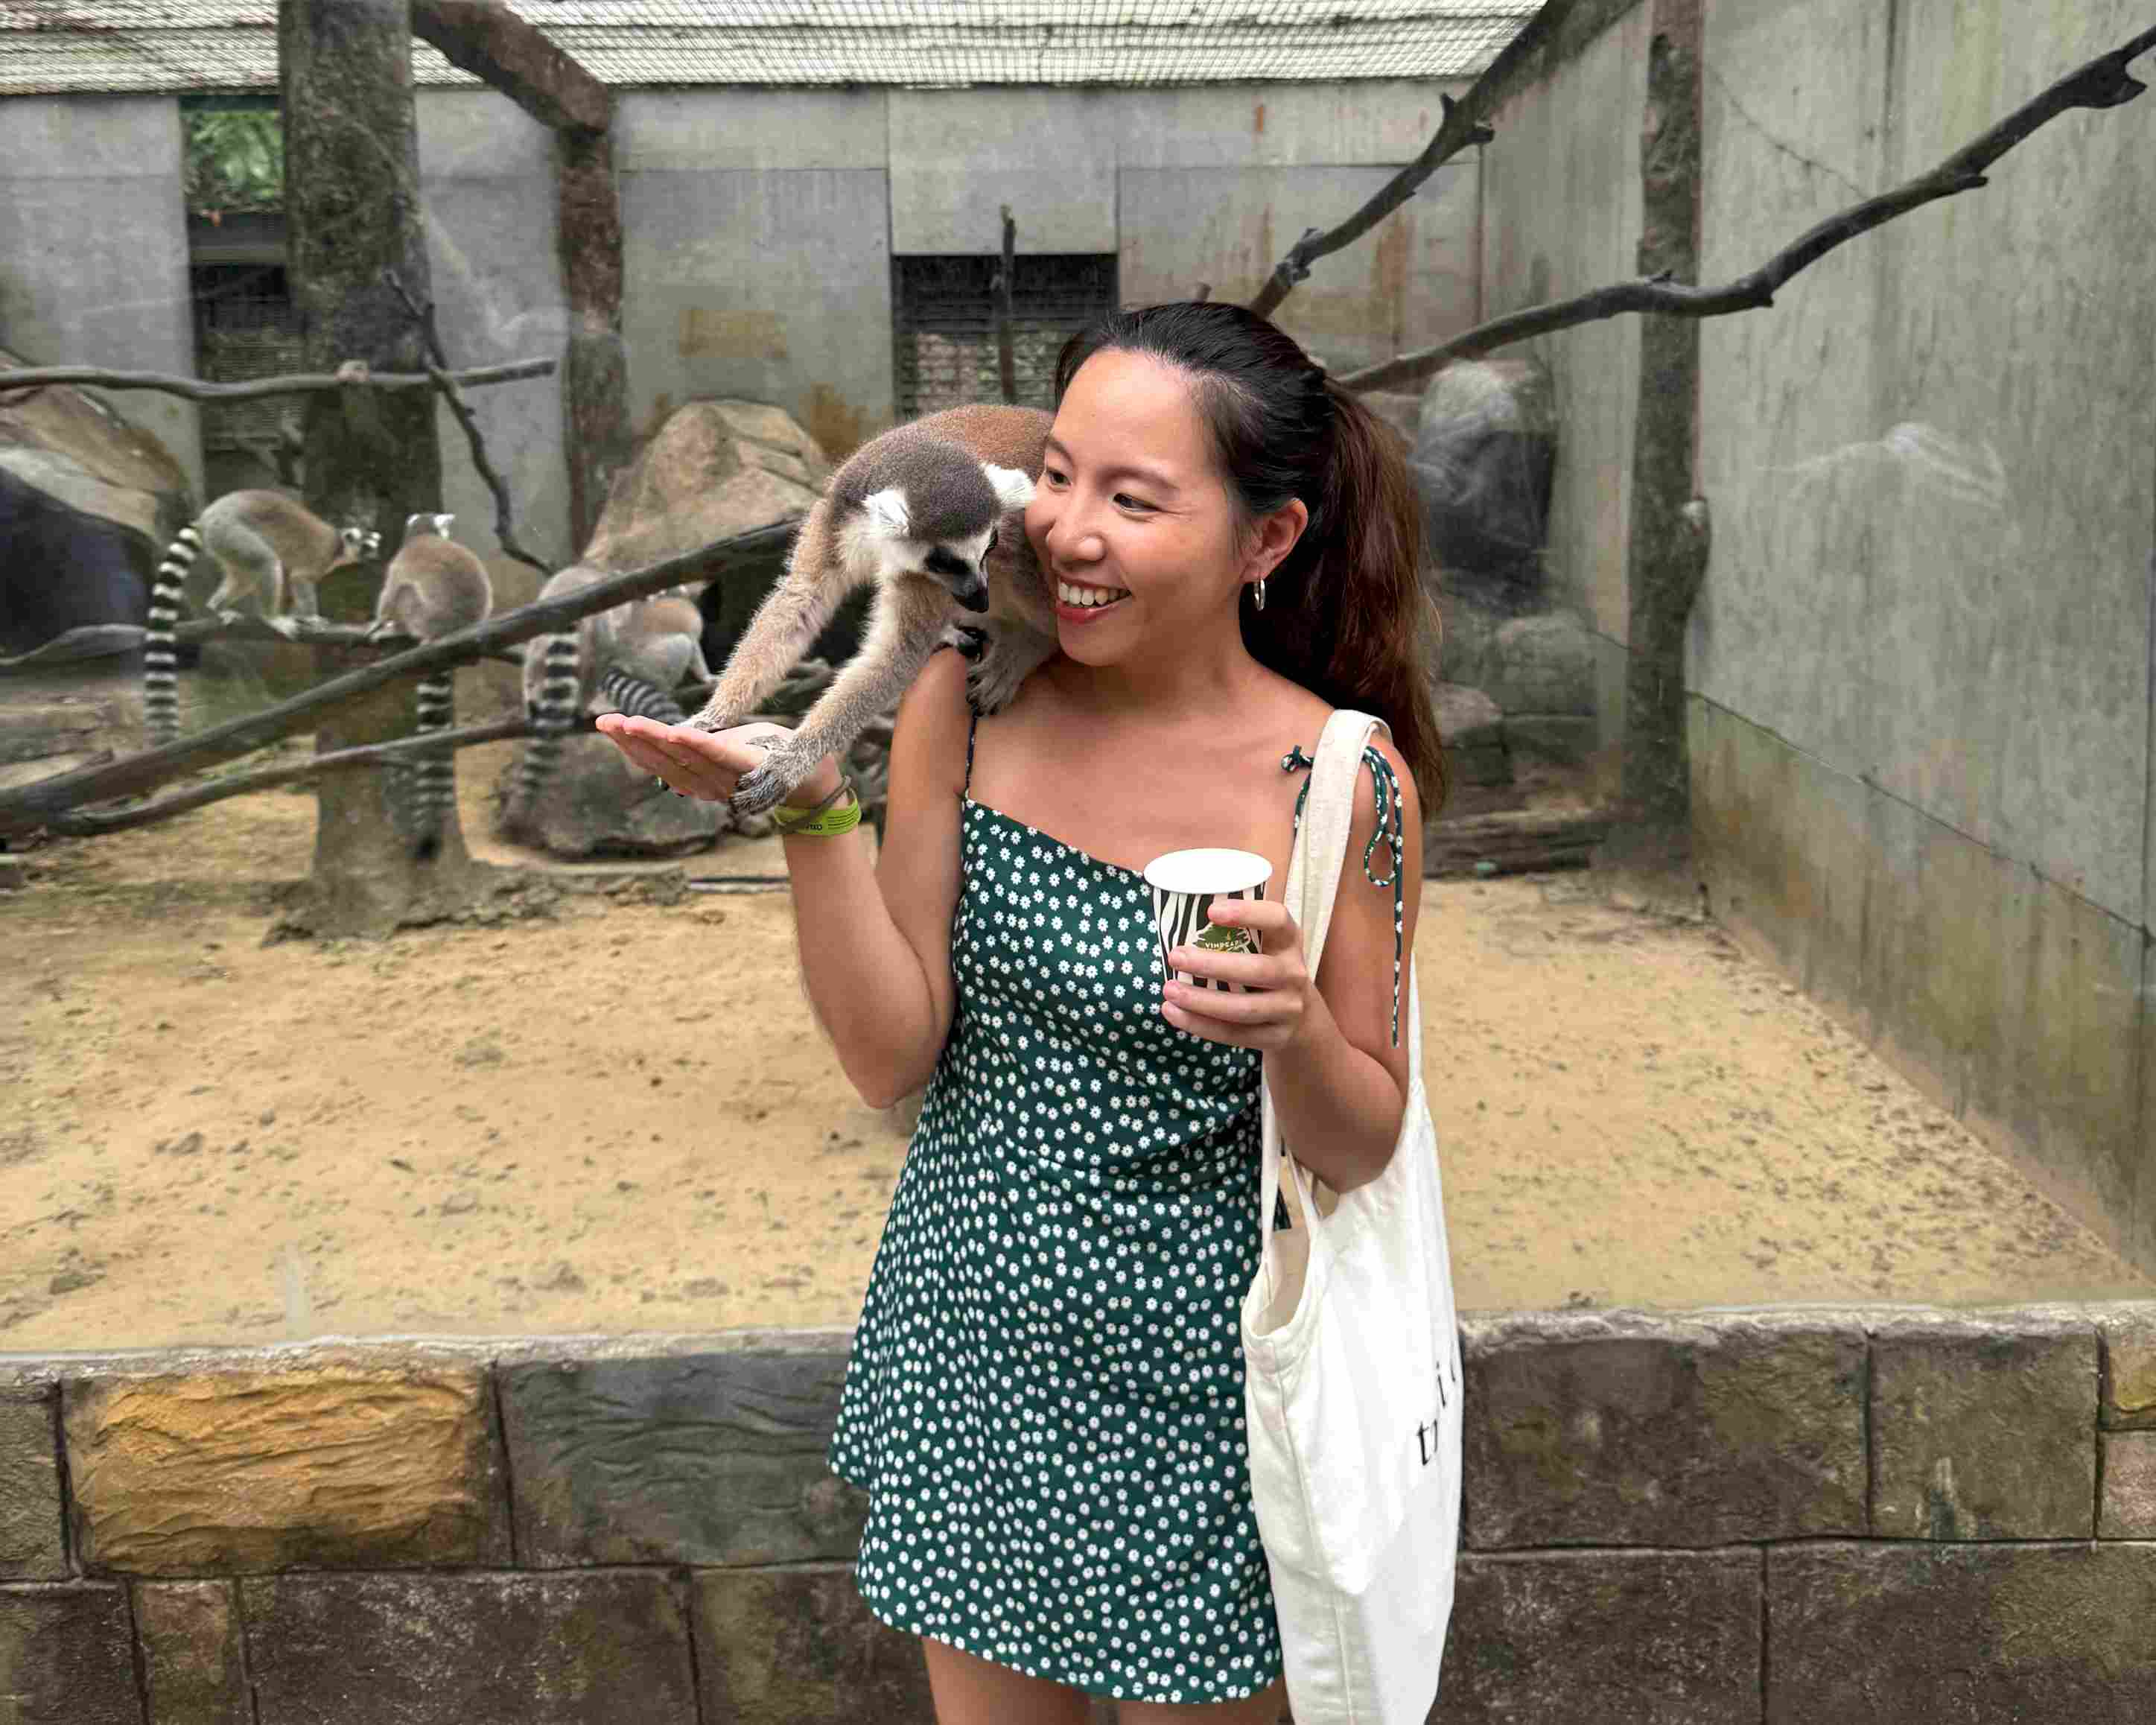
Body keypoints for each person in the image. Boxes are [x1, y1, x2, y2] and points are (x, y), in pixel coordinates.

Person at [599, 299, 1446, 1725]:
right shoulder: (968, 703)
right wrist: (817, 812)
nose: (1065, 532)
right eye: (1056, 476)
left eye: (1134, 498)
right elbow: (888, 1057)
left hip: (1217, 1413)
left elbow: (1362, 1146)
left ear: (1268, 541)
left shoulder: (1342, 785)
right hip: (974, 1358)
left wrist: (1294, 1030)